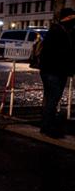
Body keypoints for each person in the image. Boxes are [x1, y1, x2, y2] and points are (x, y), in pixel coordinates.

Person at [38, 8, 75, 138]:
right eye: (71, 18)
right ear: (66, 18)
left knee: (52, 99)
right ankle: (48, 127)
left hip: (55, 71)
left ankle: (46, 126)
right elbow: (61, 53)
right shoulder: (58, 32)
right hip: (53, 71)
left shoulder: (63, 31)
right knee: (52, 99)